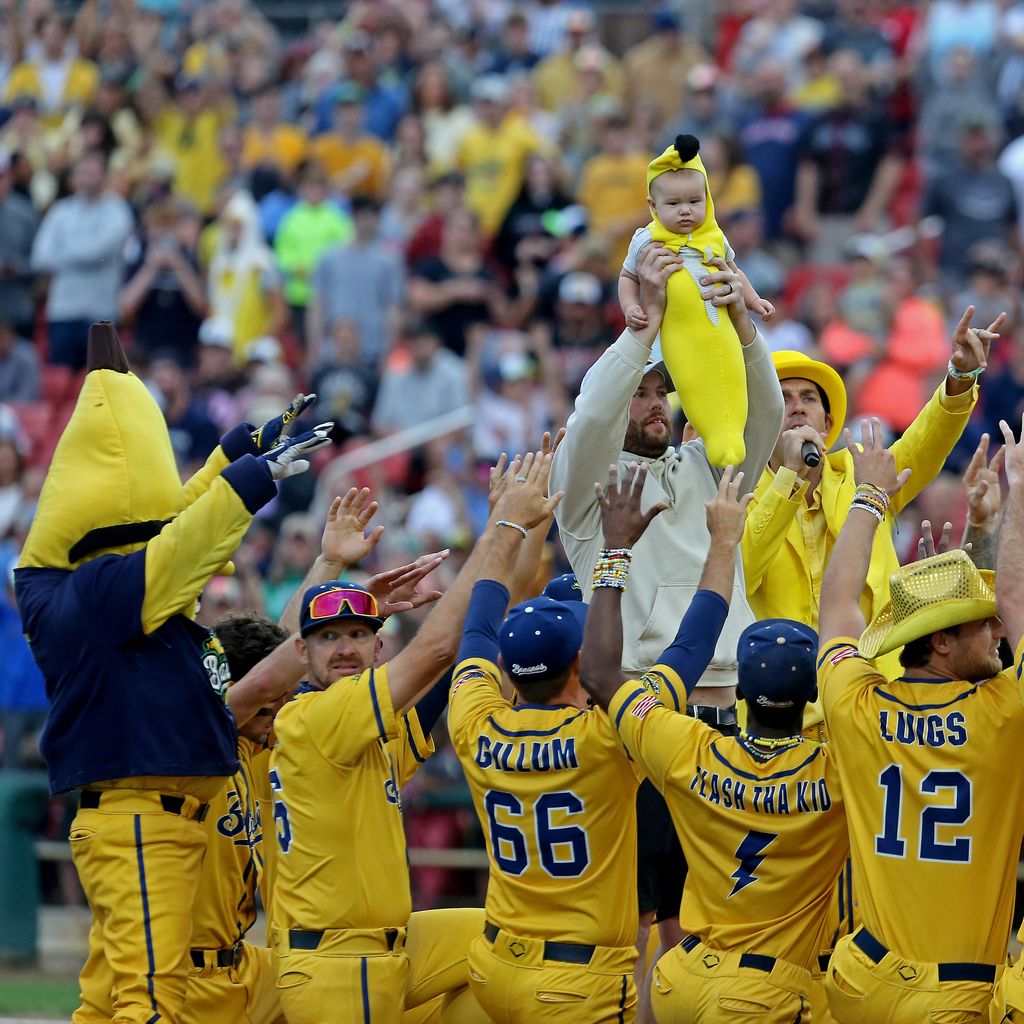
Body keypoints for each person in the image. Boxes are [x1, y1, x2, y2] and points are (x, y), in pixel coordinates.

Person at [14, 322, 330, 1024]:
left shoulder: (75, 586)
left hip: (148, 818)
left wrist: (226, 460)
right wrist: (249, 484)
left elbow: (164, 529)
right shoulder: (99, 593)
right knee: (149, 1008)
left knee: (106, 1006)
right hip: (138, 820)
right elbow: (173, 556)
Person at [550, 242, 784, 1021]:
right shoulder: (585, 492)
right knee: (650, 915)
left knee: (728, 908)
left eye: (663, 393)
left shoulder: (704, 471)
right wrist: (640, 334)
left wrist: (747, 335)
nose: (655, 403)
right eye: (642, 393)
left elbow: (766, 418)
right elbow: (588, 418)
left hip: (734, 717)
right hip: (645, 719)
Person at [267, 455, 553, 1021]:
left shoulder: (369, 724)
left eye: (358, 634)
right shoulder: (314, 716)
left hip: (386, 949)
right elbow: (439, 650)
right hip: (337, 968)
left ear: (379, 647)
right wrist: (501, 529)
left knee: (517, 937)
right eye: (328, 638)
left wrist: (533, 518)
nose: (345, 647)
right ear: (303, 654)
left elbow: (478, 635)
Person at [579, 465, 848, 1024]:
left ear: (742, 688)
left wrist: (619, 550)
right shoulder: (841, 772)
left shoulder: (690, 747)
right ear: (814, 693)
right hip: (764, 992)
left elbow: (602, 674)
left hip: (682, 979)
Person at [814, 416, 1024, 1023]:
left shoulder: (857, 704)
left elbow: (835, 607)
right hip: (951, 996)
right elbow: (1015, 602)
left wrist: (869, 497)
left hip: (862, 983)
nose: (996, 631)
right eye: (979, 625)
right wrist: (1019, 493)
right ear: (939, 646)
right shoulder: (1003, 712)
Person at [449, 456, 645, 1022]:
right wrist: (617, 552)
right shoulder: (608, 736)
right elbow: (686, 648)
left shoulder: (475, 718)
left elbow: (479, 625)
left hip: (497, 964)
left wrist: (505, 526)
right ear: (582, 660)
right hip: (575, 982)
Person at [741, 306, 1001, 708]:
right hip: (784, 715)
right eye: (782, 399)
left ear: (826, 424)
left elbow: (923, 445)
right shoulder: (737, 494)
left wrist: (961, 376)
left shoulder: (866, 475)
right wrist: (787, 480)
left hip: (878, 700)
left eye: (808, 398)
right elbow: (743, 570)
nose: (796, 407)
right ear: (758, 421)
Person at [617, 135, 774, 468]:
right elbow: (628, 277)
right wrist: (631, 306)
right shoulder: (647, 239)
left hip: (722, 330)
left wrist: (754, 300)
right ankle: (716, 438)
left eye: (694, 201)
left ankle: (734, 432)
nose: (686, 210)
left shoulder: (713, 237)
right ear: (653, 206)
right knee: (693, 381)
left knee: (733, 376)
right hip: (680, 334)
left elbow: (733, 270)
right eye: (673, 204)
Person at [30, 149, 133, 369]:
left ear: (104, 176)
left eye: (92, 172)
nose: (86, 178)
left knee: (102, 381)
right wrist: (83, 253)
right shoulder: (60, 211)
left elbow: (96, 253)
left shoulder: (118, 210)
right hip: (62, 311)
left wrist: (63, 253)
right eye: (82, 172)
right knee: (60, 382)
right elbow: (40, 257)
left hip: (101, 313)